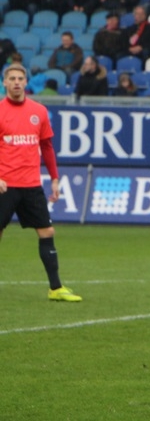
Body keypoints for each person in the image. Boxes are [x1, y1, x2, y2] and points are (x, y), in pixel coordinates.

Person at [0, 63, 82, 302]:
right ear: (5, 83)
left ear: (26, 83)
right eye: (12, 78)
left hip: (31, 184)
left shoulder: (39, 112)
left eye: (20, 78)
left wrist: (54, 179)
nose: (16, 82)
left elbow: (46, 146)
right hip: (5, 184)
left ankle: (55, 288)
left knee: (47, 231)